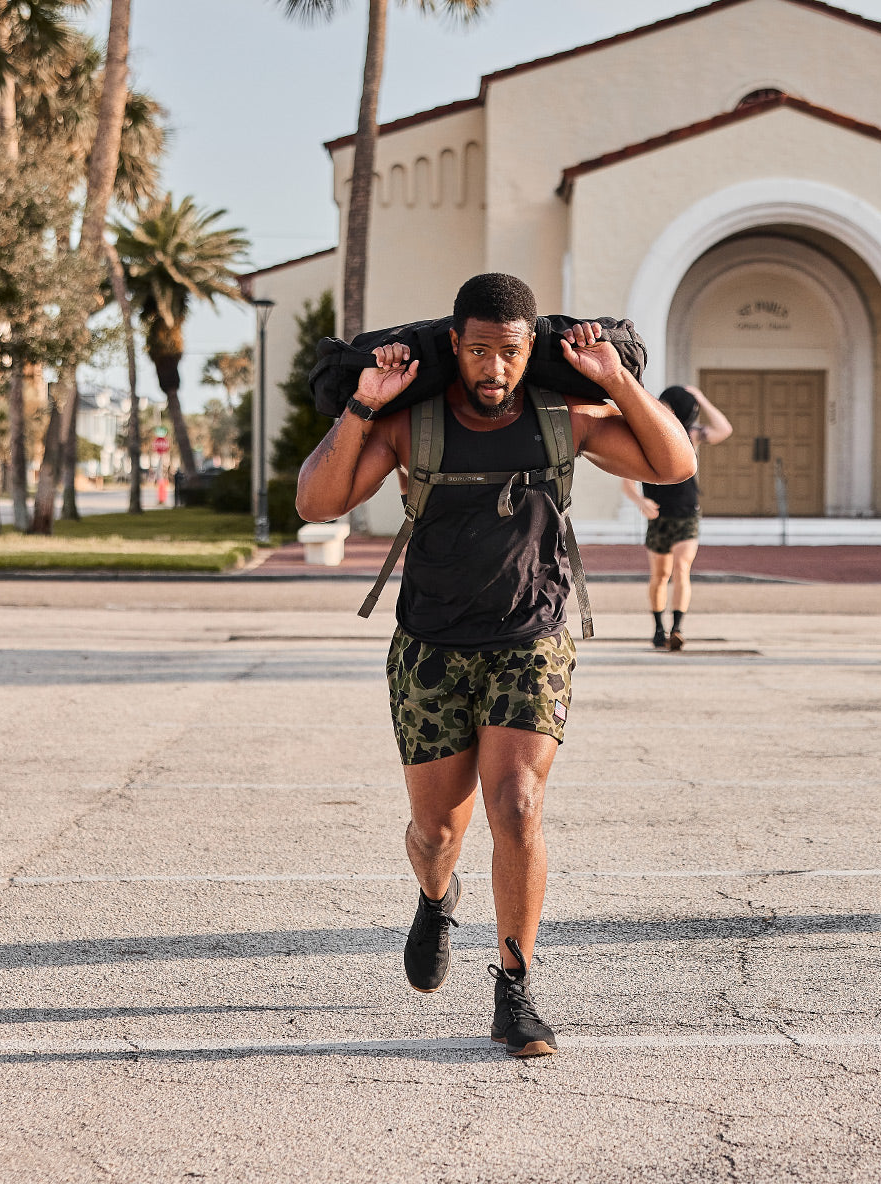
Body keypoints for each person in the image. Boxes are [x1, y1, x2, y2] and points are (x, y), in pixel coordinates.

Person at [295, 273, 696, 1057]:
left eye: (509, 353)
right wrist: (363, 403)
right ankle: (436, 896)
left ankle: (515, 989)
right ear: (455, 344)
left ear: (527, 348)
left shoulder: (564, 417)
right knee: (437, 829)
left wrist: (616, 382)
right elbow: (318, 503)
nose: (493, 369)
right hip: (431, 647)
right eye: (478, 351)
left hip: (531, 638)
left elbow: (672, 466)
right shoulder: (412, 423)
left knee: (515, 804)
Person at [621, 386, 732, 650]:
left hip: (687, 513)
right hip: (659, 516)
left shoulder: (692, 435)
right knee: (660, 574)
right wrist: (641, 501)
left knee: (682, 569)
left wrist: (702, 397)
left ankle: (678, 628)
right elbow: (626, 481)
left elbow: (724, 429)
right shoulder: (645, 436)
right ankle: (659, 628)